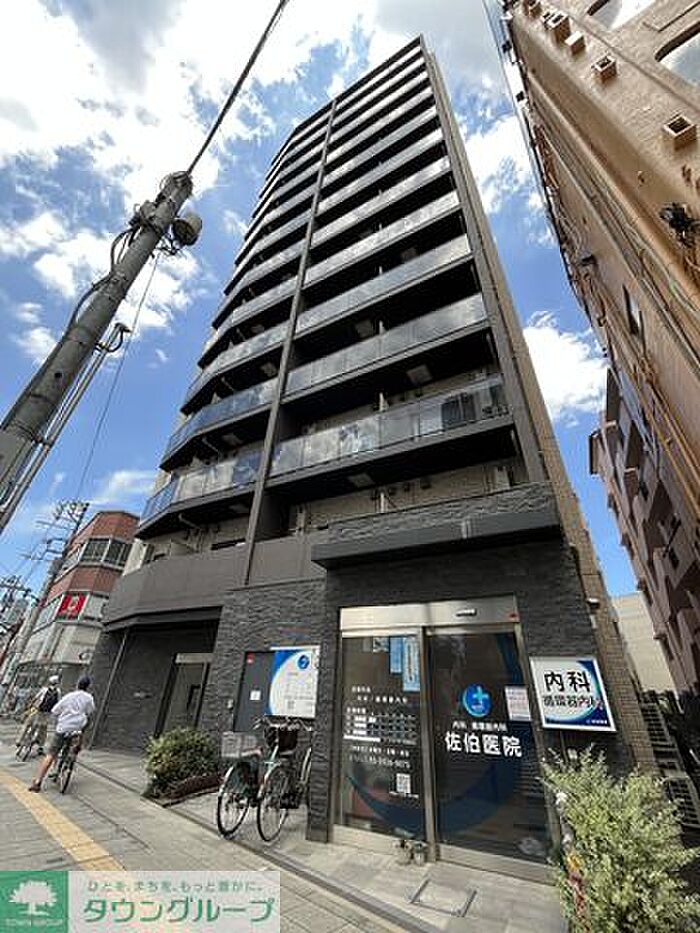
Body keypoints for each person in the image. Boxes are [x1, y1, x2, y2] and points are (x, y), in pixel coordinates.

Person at [28, 675, 95, 792]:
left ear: (77, 684)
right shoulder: (89, 698)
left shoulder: (69, 696)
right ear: (88, 686)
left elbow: (55, 710)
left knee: (51, 754)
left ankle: (38, 782)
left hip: (63, 728)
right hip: (77, 729)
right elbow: (90, 711)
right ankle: (65, 766)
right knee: (72, 748)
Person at [15, 675, 61, 754]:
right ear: (57, 683)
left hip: (36, 710)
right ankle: (40, 746)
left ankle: (19, 740)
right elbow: (58, 703)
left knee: (27, 724)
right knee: (43, 729)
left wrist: (30, 705)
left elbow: (35, 698)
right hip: (47, 713)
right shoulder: (58, 691)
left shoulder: (44, 689)